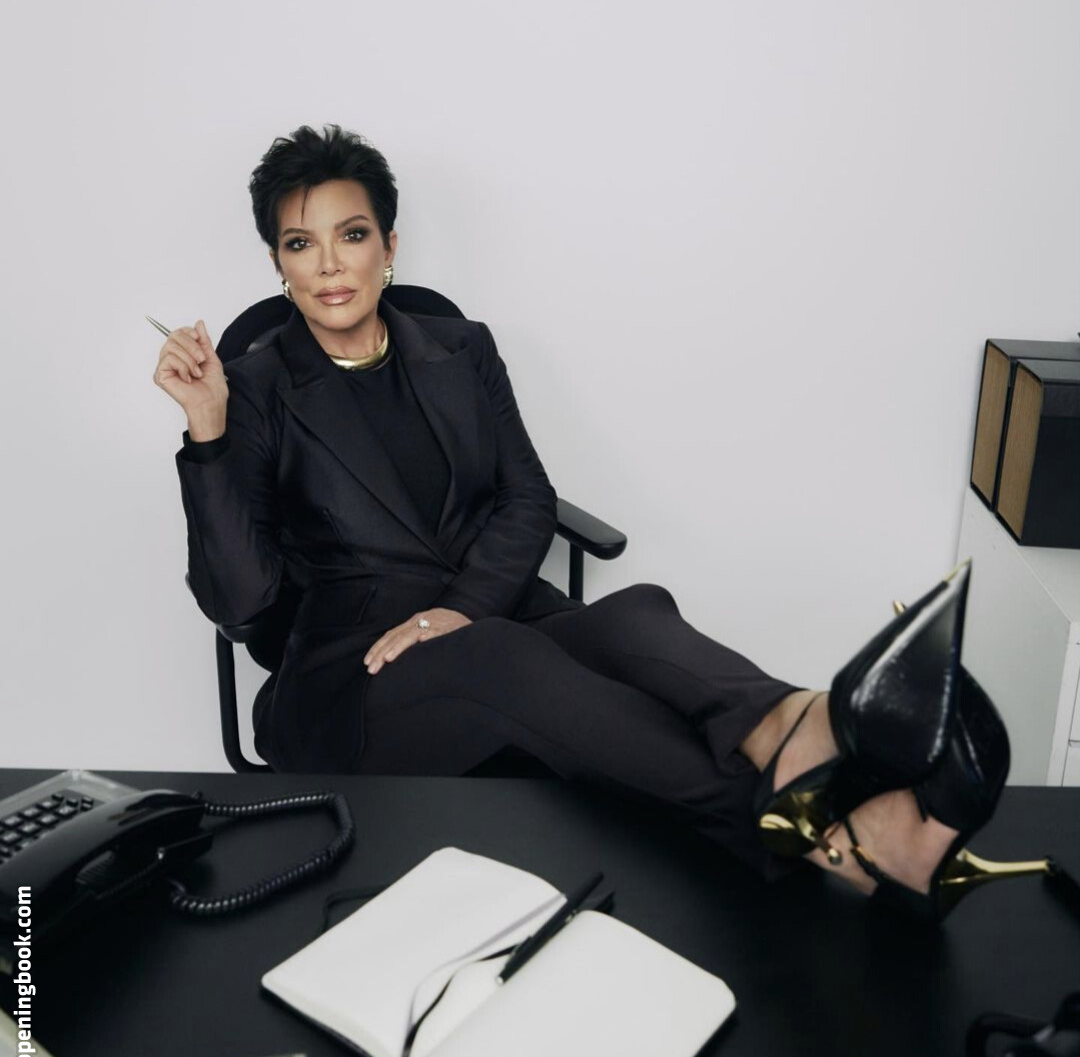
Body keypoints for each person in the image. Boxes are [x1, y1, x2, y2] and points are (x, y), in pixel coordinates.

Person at [155, 124, 1041, 922]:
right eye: (300, 243)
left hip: (490, 617)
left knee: (634, 613)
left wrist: (460, 607)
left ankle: (800, 727)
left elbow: (527, 497)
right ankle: (839, 827)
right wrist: (208, 430)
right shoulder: (254, 387)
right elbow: (241, 601)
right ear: (278, 263)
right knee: (504, 657)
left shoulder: (460, 347)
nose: (328, 264)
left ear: (390, 246)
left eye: (351, 235)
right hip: (354, 681)